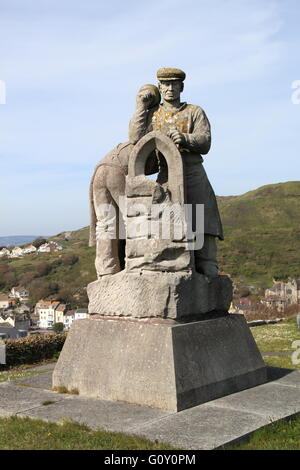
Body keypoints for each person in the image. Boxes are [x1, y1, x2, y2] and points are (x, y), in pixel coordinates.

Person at [128, 67, 223, 277]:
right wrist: (141, 107)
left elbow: (205, 141)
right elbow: (135, 138)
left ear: (181, 86)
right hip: (166, 174)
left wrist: (186, 138)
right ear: (160, 87)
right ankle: (170, 259)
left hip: (192, 171)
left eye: (174, 84)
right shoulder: (154, 114)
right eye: (166, 84)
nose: (170, 88)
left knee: (202, 214)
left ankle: (206, 261)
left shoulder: (194, 111)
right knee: (166, 221)